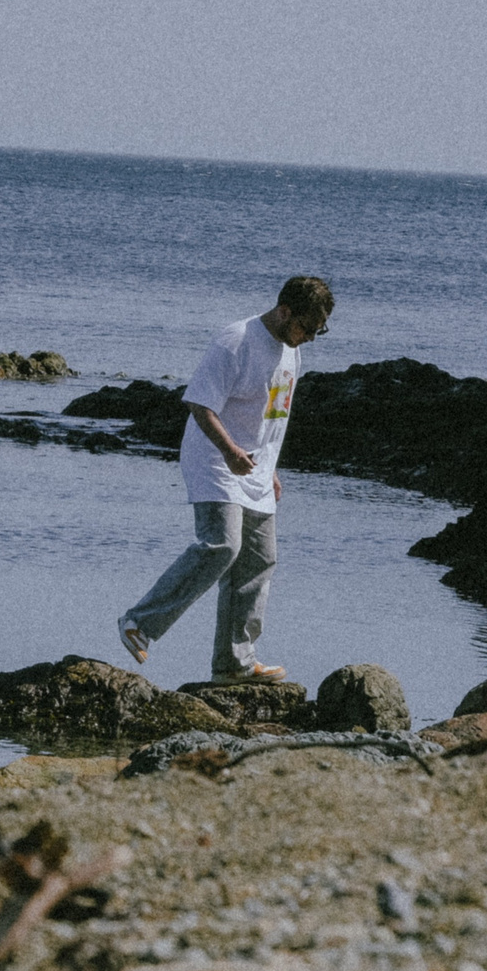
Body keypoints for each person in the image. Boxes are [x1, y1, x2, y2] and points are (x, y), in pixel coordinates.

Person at [117, 275, 333, 683]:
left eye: (317, 331)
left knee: (260, 560)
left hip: (255, 469)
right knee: (222, 546)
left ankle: (234, 664)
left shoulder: (292, 352)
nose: (308, 338)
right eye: (306, 327)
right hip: (214, 458)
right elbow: (200, 404)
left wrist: (272, 469)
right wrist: (230, 451)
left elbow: (272, 417)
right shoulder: (237, 340)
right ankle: (139, 622)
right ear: (284, 311)